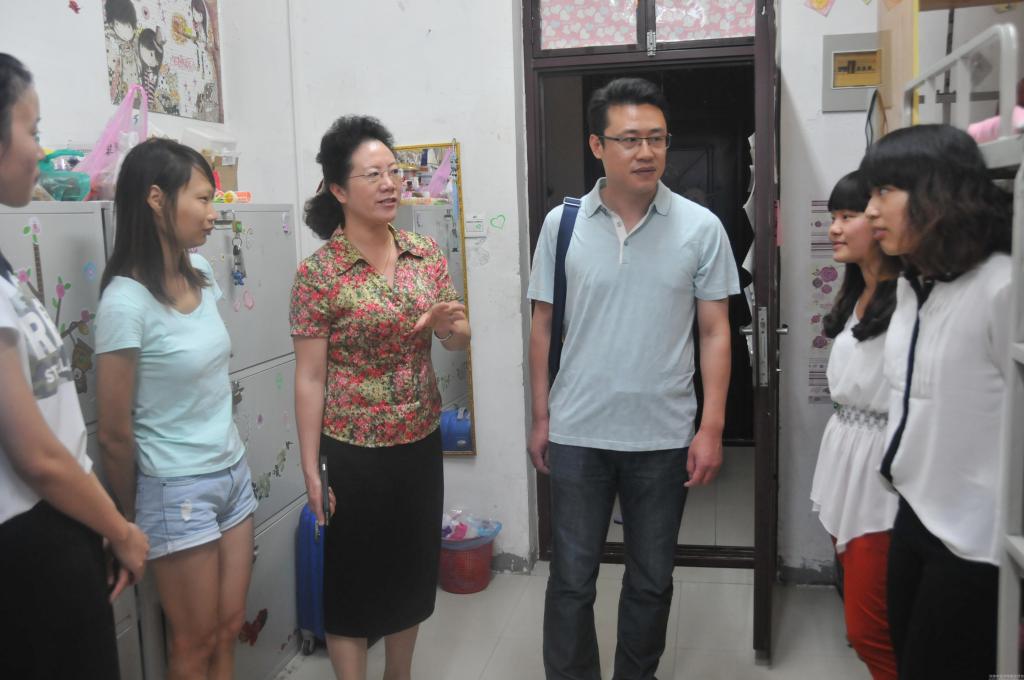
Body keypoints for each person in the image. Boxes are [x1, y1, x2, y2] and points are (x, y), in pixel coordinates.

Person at [527, 77, 739, 680]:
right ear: (597, 145)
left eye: (657, 138)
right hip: (577, 431)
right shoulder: (562, 225)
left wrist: (711, 428)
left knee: (651, 579)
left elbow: (715, 332)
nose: (646, 152)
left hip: (663, 436)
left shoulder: (701, 227)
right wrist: (541, 417)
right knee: (571, 579)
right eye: (629, 139)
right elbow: (543, 327)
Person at [290, 115, 470, 680]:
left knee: (411, 571)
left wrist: (448, 327)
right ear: (339, 190)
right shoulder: (319, 275)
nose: (391, 183)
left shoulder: (425, 255)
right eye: (373, 175)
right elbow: (310, 378)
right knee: (353, 579)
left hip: (418, 439)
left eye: (394, 171)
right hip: (352, 449)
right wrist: (311, 469)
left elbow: (458, 336)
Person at [0, 53, 148, 679]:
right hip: (28, 542)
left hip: (64, 523)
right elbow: (35, 453)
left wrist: (95, 524)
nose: (40, 151)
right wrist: (121, 528)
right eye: (32, 130)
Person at [95, 138, 256, 680]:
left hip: (231, 471)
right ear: (156, 198)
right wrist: (127, 518)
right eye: (203, 199)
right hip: (175, 488)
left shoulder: (203, 273)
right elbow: (114, 434)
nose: (213, 214)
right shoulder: (124, 302)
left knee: (229, 627)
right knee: (193, 642)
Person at [860, 123, 1012, 679]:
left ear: (937, 193)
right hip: (915, 511)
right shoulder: (913, 285)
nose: (871, 210)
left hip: (975, 539)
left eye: (885, 191)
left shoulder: (1001, 287)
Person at [809, 170, 901, 680]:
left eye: (848, 216)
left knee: (871, 629)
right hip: (846, 457)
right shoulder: (856, 293)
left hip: (883, 472)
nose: (835, 229)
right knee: (858, 603)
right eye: (833, 217)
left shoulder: (911, 297)